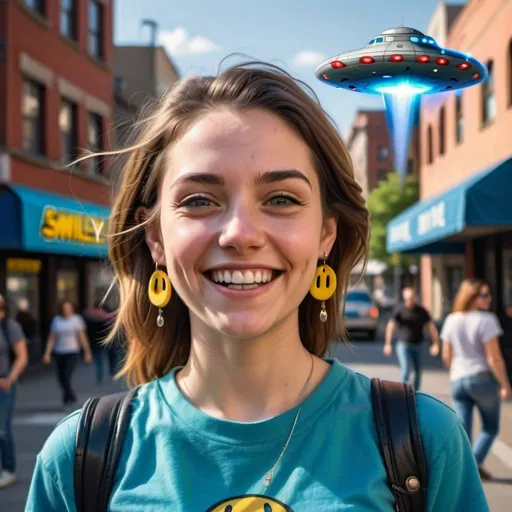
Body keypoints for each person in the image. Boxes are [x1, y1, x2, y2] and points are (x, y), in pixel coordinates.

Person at [26, 61, 489, 511]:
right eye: (200, 200)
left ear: (325, 235)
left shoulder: (424, 440)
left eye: (282, 199)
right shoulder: (79, 457)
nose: (240, 234)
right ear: (156, 239)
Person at [440, 278, 512, 481]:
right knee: (490, 427)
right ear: (471, 297)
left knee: (463, 430)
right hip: (481, 378)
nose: (488, 299)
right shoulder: (487, 320)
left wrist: (456, 372)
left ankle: (463, 470)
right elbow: (494, 358)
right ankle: (474, 463)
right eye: (484, 295)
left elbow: (446, 356)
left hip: (458, 379)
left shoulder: (451, 319)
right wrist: (505, 384)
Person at [384, 287, 440, 390]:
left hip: (419, 344)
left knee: (418, 371)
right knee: (405, 369)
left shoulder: (421, 311)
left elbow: (431, 327)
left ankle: (416, 394)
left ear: (414, 297)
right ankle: (402, 393)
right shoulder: (400, 310)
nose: (410, 300)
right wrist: (388, 344)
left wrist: (435, 344)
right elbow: (390, 327)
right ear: (404, 297)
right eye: (407, 298)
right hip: (403, 344)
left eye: (411, 297)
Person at [0, 294, 28, 489]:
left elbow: (22, 356)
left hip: (4, 385)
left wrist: (10, 378)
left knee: (2, 428)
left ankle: (8, 470)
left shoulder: (10, 327)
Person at [42, 301, 92, 409]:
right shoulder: (56, 320)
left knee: (66, 376)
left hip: (72, 352)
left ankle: (67, 400)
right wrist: (47, 353)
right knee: (60, 377)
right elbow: (52, 338)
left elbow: (82, 337)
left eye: (69, 308)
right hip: (59, 352)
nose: (67, 311)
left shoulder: (76, 319)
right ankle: (71, 397)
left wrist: (87, 352)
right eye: (65, 309)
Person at [82, 301, 117, 384]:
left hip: (96, 340)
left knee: (99, 359)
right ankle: (112, 371)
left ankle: (100, 376)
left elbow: (88, 329)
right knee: (112, 356)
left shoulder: (90, 316)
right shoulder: (109, 315)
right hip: (109, 339)